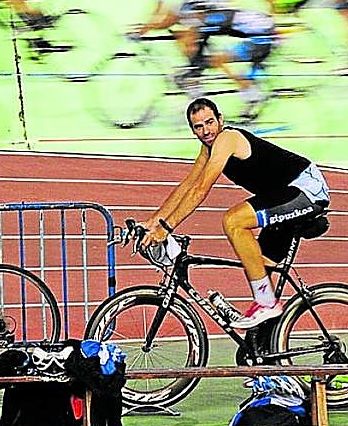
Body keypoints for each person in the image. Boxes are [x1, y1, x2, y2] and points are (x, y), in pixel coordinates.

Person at [139, 97, 330, 329]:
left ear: (221, 120)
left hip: (306, 189)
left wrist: (167, 229)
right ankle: (265, 340)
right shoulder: (207, 148)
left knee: (234, 221)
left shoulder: (227, 139)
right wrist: (154, 222)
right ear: (192, 130)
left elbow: (201, 189)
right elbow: (188, 185)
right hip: (282, 196)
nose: (206, 130)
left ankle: (266, 304)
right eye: (198, 126)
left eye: (210, 122)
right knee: (258, 264)